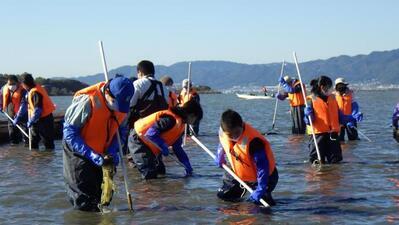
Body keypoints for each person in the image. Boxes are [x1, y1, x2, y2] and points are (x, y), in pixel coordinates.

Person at [63, 76, 134, 212]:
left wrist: (114, 150)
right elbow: (69, 132)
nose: (118, 108)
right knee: (84, 199)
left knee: (104, 196)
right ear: (107, 93)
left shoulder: (124, 106)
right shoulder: (87, 102)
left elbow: (122, 130)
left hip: (105, 150)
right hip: (79, 150)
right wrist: (90, 154)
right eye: (115, 102)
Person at [215, 109, 278, 206]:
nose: (234, 136)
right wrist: (220, 153)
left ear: (241, 125)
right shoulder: (223, 132)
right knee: (224, 197)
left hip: (263, 177)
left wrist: (261, 188)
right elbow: (223, 142)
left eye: (236, 132)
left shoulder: (253, 142)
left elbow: (262, 167)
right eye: (230, 135)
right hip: (238, 173)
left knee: (262, 205)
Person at [128, 99, 203, 179]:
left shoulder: (181, 125)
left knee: (161, 171)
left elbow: (177, 148)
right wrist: (163, 145)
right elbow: (150, 133)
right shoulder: (170, 119)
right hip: (138, 140)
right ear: (191, 115)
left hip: (151, 145)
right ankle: (141, 188)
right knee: (149, 174)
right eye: (196, 119)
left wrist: (186, 163)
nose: (196, 122)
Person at [304, 76, 357, 164]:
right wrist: (307, 115)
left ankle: (333, 176)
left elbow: (340, 117)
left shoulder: (332, 99)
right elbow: (309, 121)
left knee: (335, 161)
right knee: (316, 161)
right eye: (330, 87)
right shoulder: (312, 100)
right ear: (322, 87)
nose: (332, 89)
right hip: (318, 135)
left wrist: (352, 118)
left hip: (333, 134)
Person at [126, 60, 168, 160]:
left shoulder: (138, 83)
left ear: (140, 72)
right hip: (158, 126)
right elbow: (168, 104)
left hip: (140, 126)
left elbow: (130, 104)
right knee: (156, 154)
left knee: (136, 156)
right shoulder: (162, 86)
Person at [21, 73, 56, 150]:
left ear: (24, 84)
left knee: (47, 141)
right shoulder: (35, 88)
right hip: (38, 118)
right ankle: (36, 157)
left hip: (44, 119)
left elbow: (38, 109)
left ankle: (45, 158)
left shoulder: (35, 92)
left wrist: (31, 121)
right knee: (34, 140)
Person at [1, 75, 28, 145]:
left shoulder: (23, 90)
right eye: (9, 84)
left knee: (25, 132)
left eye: (13, 84)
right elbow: (0, 97)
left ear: (17, 83)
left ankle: (26, 144)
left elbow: (24, 104)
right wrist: (0, 105)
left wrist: (18, 116)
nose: (11, 86)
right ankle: (14, 147)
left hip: (22, 115)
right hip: (10, 114)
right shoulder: (4, 89)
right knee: (12, 133)